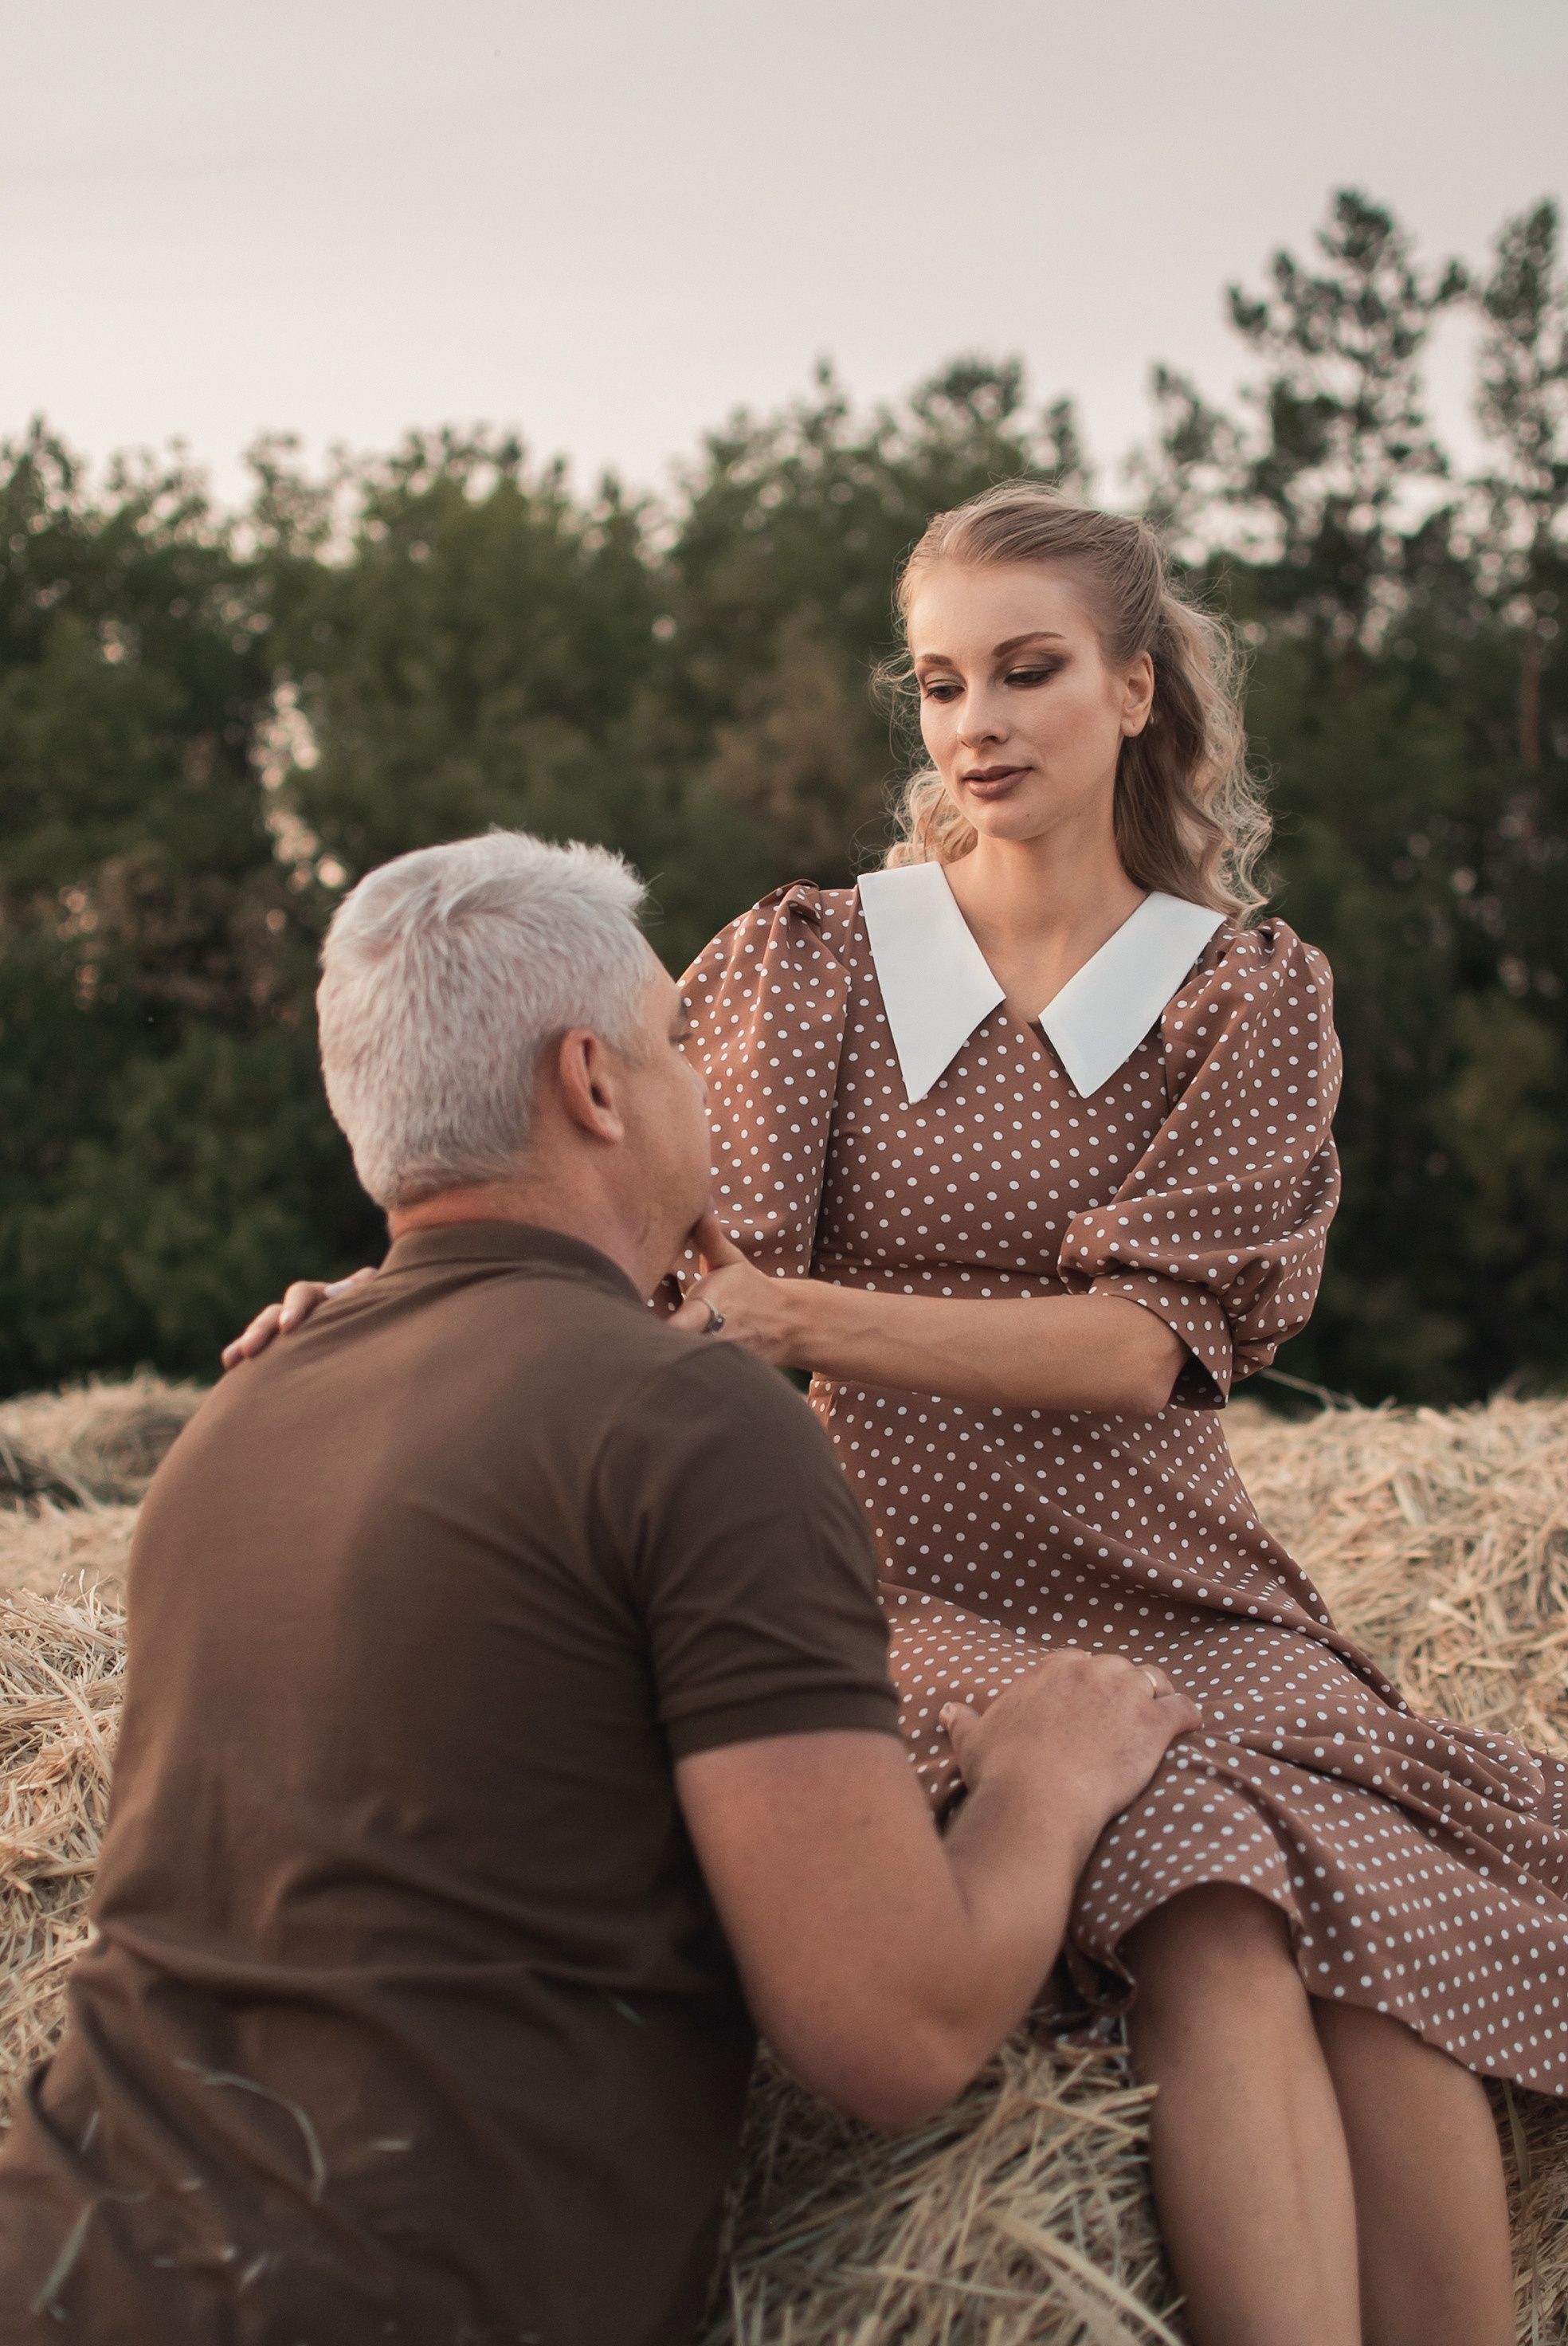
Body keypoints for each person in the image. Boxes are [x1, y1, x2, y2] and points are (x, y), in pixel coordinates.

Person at [225, 488, 1568, 2346]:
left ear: (1136, 686)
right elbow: (605, 1206)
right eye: (942, 684)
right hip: (883, 1578)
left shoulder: (1247, 993)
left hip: (1174, 1577)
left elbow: (1148, 1343)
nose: (978, 725)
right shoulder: (813, 956)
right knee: (1217, 1898)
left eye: (1026, 672)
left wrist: (804, 1312)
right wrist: (375, 1308)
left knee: (1381, 1925)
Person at [0, 832, 1198, 2345]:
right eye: (678, 1046)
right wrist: (1048, 1772)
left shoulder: (232, 1423)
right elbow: (893, 2032)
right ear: (594, 1083)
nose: (703, 1087)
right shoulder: (691, 1426)